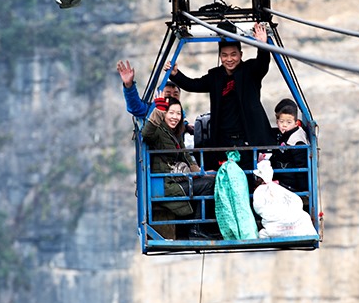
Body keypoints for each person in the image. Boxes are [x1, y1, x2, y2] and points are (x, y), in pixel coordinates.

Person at [165, 22, 275, 164]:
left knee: (248, 173)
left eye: (233, 55)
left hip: (248, 139)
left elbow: (263, 63)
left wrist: (262, 45)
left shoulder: (250, 71)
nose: (229, 59)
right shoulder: (215, 76)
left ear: (241, 55)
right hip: (223, 140)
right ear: (220, 57)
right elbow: (193, 84)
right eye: (224, 55)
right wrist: (175, 74)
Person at [141, 96, 214, 239]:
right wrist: (158, 111)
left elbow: (185, 155)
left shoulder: (176, 133)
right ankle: (196, 229)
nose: (175, 117)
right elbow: (146, 134)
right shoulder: (158, 131)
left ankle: (199, 228)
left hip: (176, 179)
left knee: (209, 180)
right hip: (166, 184)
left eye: (178, 113)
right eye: (171, 113)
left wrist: (201, 172)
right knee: (208, 185)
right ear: (164, 114)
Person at [116, 59, 192, 137]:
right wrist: (129, 85)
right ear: (159, 95)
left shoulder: (179, 113)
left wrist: (187, 126)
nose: (172, 97)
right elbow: (135, 106)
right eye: (168, 94)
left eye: (175, 94)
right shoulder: (151, 110)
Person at [269, 98, 309, 193]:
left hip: (292, 184)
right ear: (277, 121)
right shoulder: (284, 135)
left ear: (296, 123)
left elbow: (301, 167)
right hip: (283, 177)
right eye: (281, 121)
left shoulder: (297, 141)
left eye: (289, 122)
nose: (284, 125)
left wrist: (303, 191)